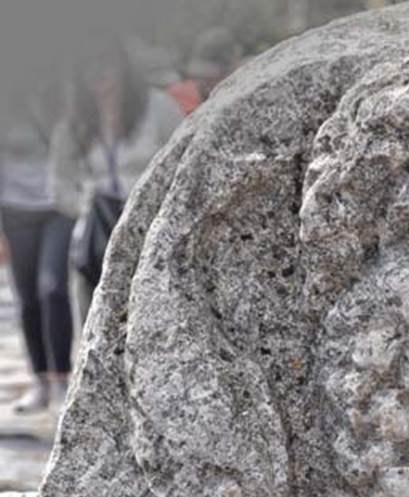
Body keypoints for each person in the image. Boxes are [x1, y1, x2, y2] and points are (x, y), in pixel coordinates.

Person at [49, 38, 183, 324]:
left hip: (149, 231)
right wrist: (84, 207)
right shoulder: (73, 124)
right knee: (96, 325)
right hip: (96, 239)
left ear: (122, 65)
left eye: (105, 62)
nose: (98, 72)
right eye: (88, 65)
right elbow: (59, 185)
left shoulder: (158, 107)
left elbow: (184, 162)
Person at [0, 84, 76, 413]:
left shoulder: (59, 96)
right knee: (27, 297)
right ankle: (40, 382)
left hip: (58, 207)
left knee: (53, 288)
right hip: (15, 211)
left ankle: (62, 380)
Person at [167, 28, 243, 115]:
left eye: (213, 77)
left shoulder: (240, 96)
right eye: (202, 76)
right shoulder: (177, 98)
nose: (205, 82)